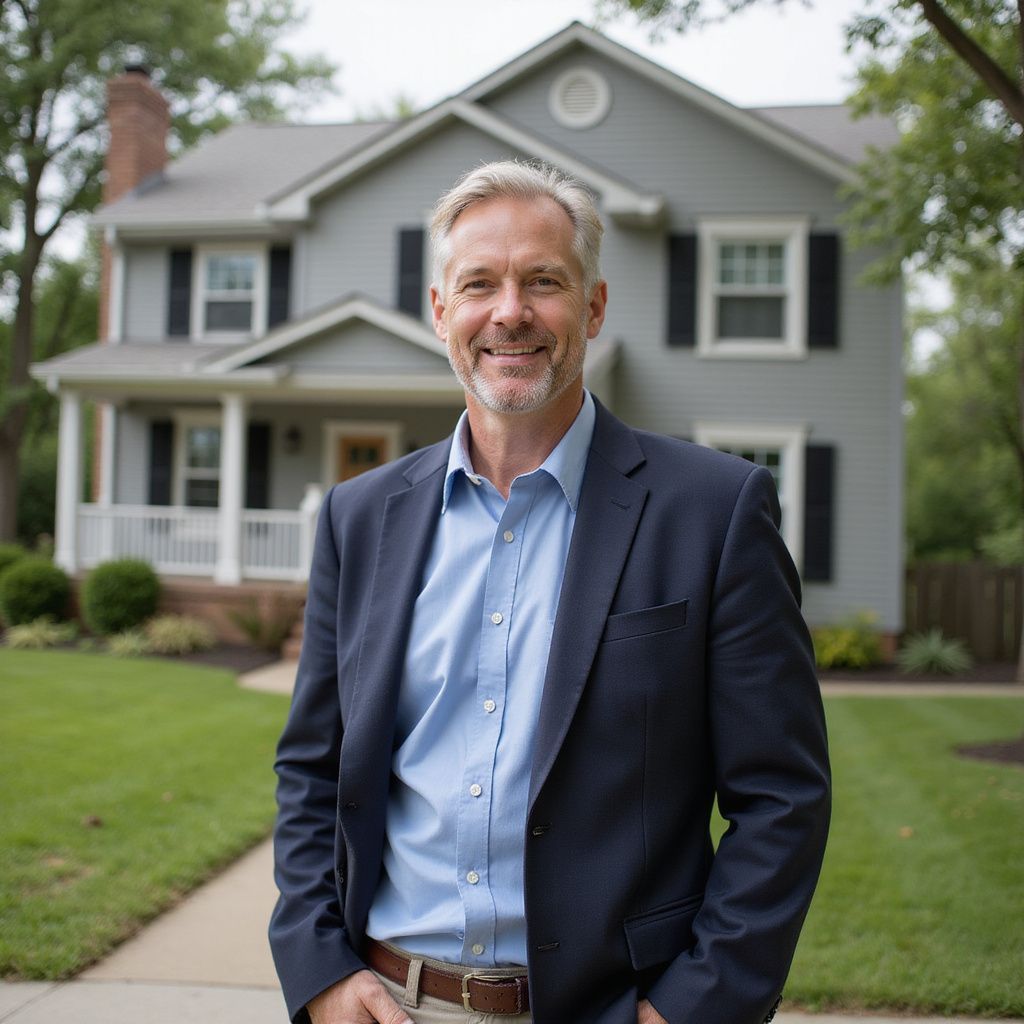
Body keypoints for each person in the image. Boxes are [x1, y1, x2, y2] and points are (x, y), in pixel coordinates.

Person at [270, 160, 831, 1024]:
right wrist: (319, 973)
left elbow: (781, 798)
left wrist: (692, 1009)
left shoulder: (713, 513)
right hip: (387, 1002)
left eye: (544, 281)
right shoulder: (361, 516)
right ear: (439, 312)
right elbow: (314, 766)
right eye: (479, 284)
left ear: (595, 307)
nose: (510, 312)